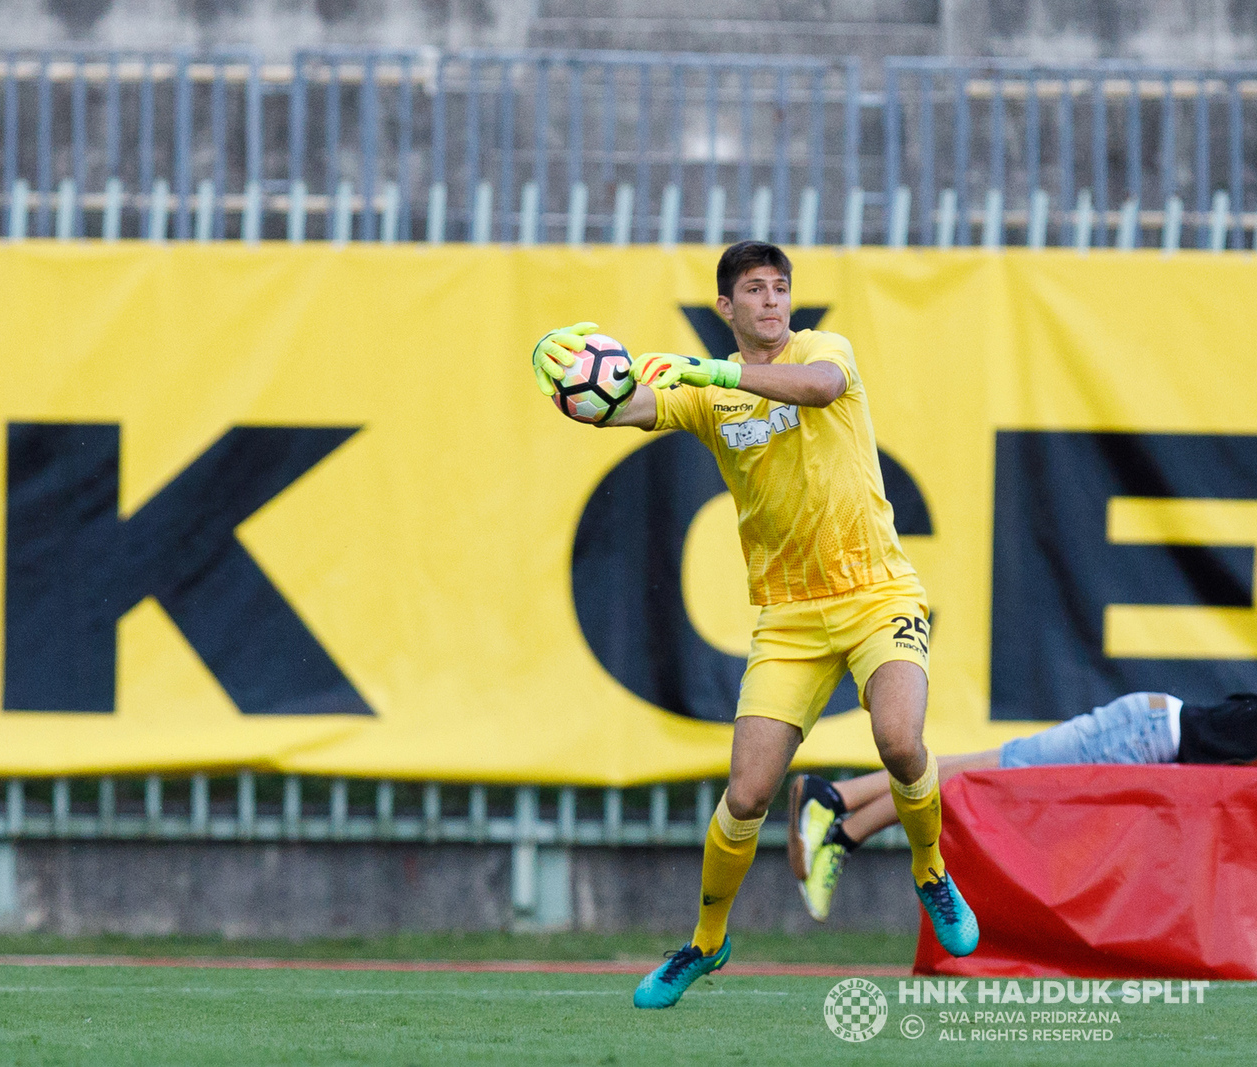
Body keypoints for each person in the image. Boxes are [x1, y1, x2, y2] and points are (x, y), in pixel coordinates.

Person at [531, 240, 977, 1010]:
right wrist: (573, 385)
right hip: (789, 617)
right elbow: (623, 406)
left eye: (780, 288)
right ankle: (707, 942)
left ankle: (931, 870)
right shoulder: (710, 394)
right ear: (726, 309)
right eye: (754, 291)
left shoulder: (820, 350)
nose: (771, 302)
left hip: (878, 593)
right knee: (747, 794)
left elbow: (817, 387)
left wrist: (718, 371)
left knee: (900, 739)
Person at [788, 691, 1257, 921]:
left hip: (1147, 735)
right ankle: (837, 810)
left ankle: (841, 819)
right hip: (1140, 738)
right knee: (988, 775)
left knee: (983, 775)